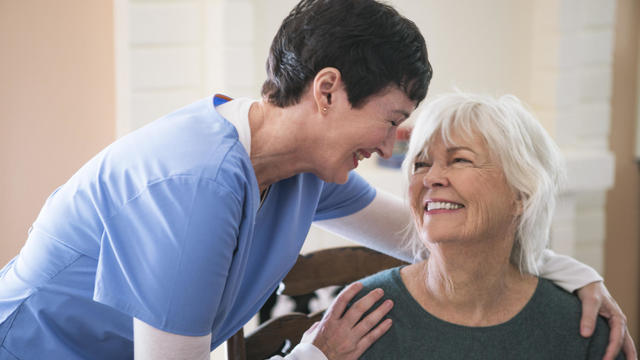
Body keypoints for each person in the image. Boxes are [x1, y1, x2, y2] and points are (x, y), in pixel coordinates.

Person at [0, 0, 633, 359]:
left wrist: (573, 276)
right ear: (327, 89)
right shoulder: (193, 186)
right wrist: (314, 357)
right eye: (391, 121)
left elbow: (427, 236)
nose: (392, 148)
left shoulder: (300, 166)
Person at [352, 92, 628, 359]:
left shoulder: (582, 327)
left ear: (521, 196)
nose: (431, 178)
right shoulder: (361, 316)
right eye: (421, 164)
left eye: (460, 159)